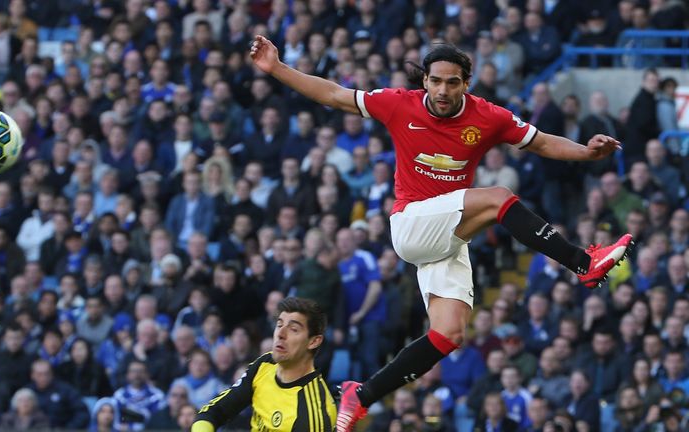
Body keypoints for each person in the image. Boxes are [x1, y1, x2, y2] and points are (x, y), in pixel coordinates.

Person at [249, 37, 633, 431]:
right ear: (425, 81)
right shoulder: (400, 103)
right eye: (435, 81)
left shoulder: (489, 116)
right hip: (412, 223)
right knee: (498, 198)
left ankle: (360, 395)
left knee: (449, 334)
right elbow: (333, 93)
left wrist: (587, 153)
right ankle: (583, 262)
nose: (443, 91)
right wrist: (278, 68)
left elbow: (542, 142)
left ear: (466, 83)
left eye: (452, 83)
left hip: (449, 234)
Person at [191, 297, 336, 431]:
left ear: (314, 341)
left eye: (293, 329)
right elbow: (214, 411)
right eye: (279, 325)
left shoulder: (315, 414)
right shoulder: (265, 364)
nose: (281, 334)